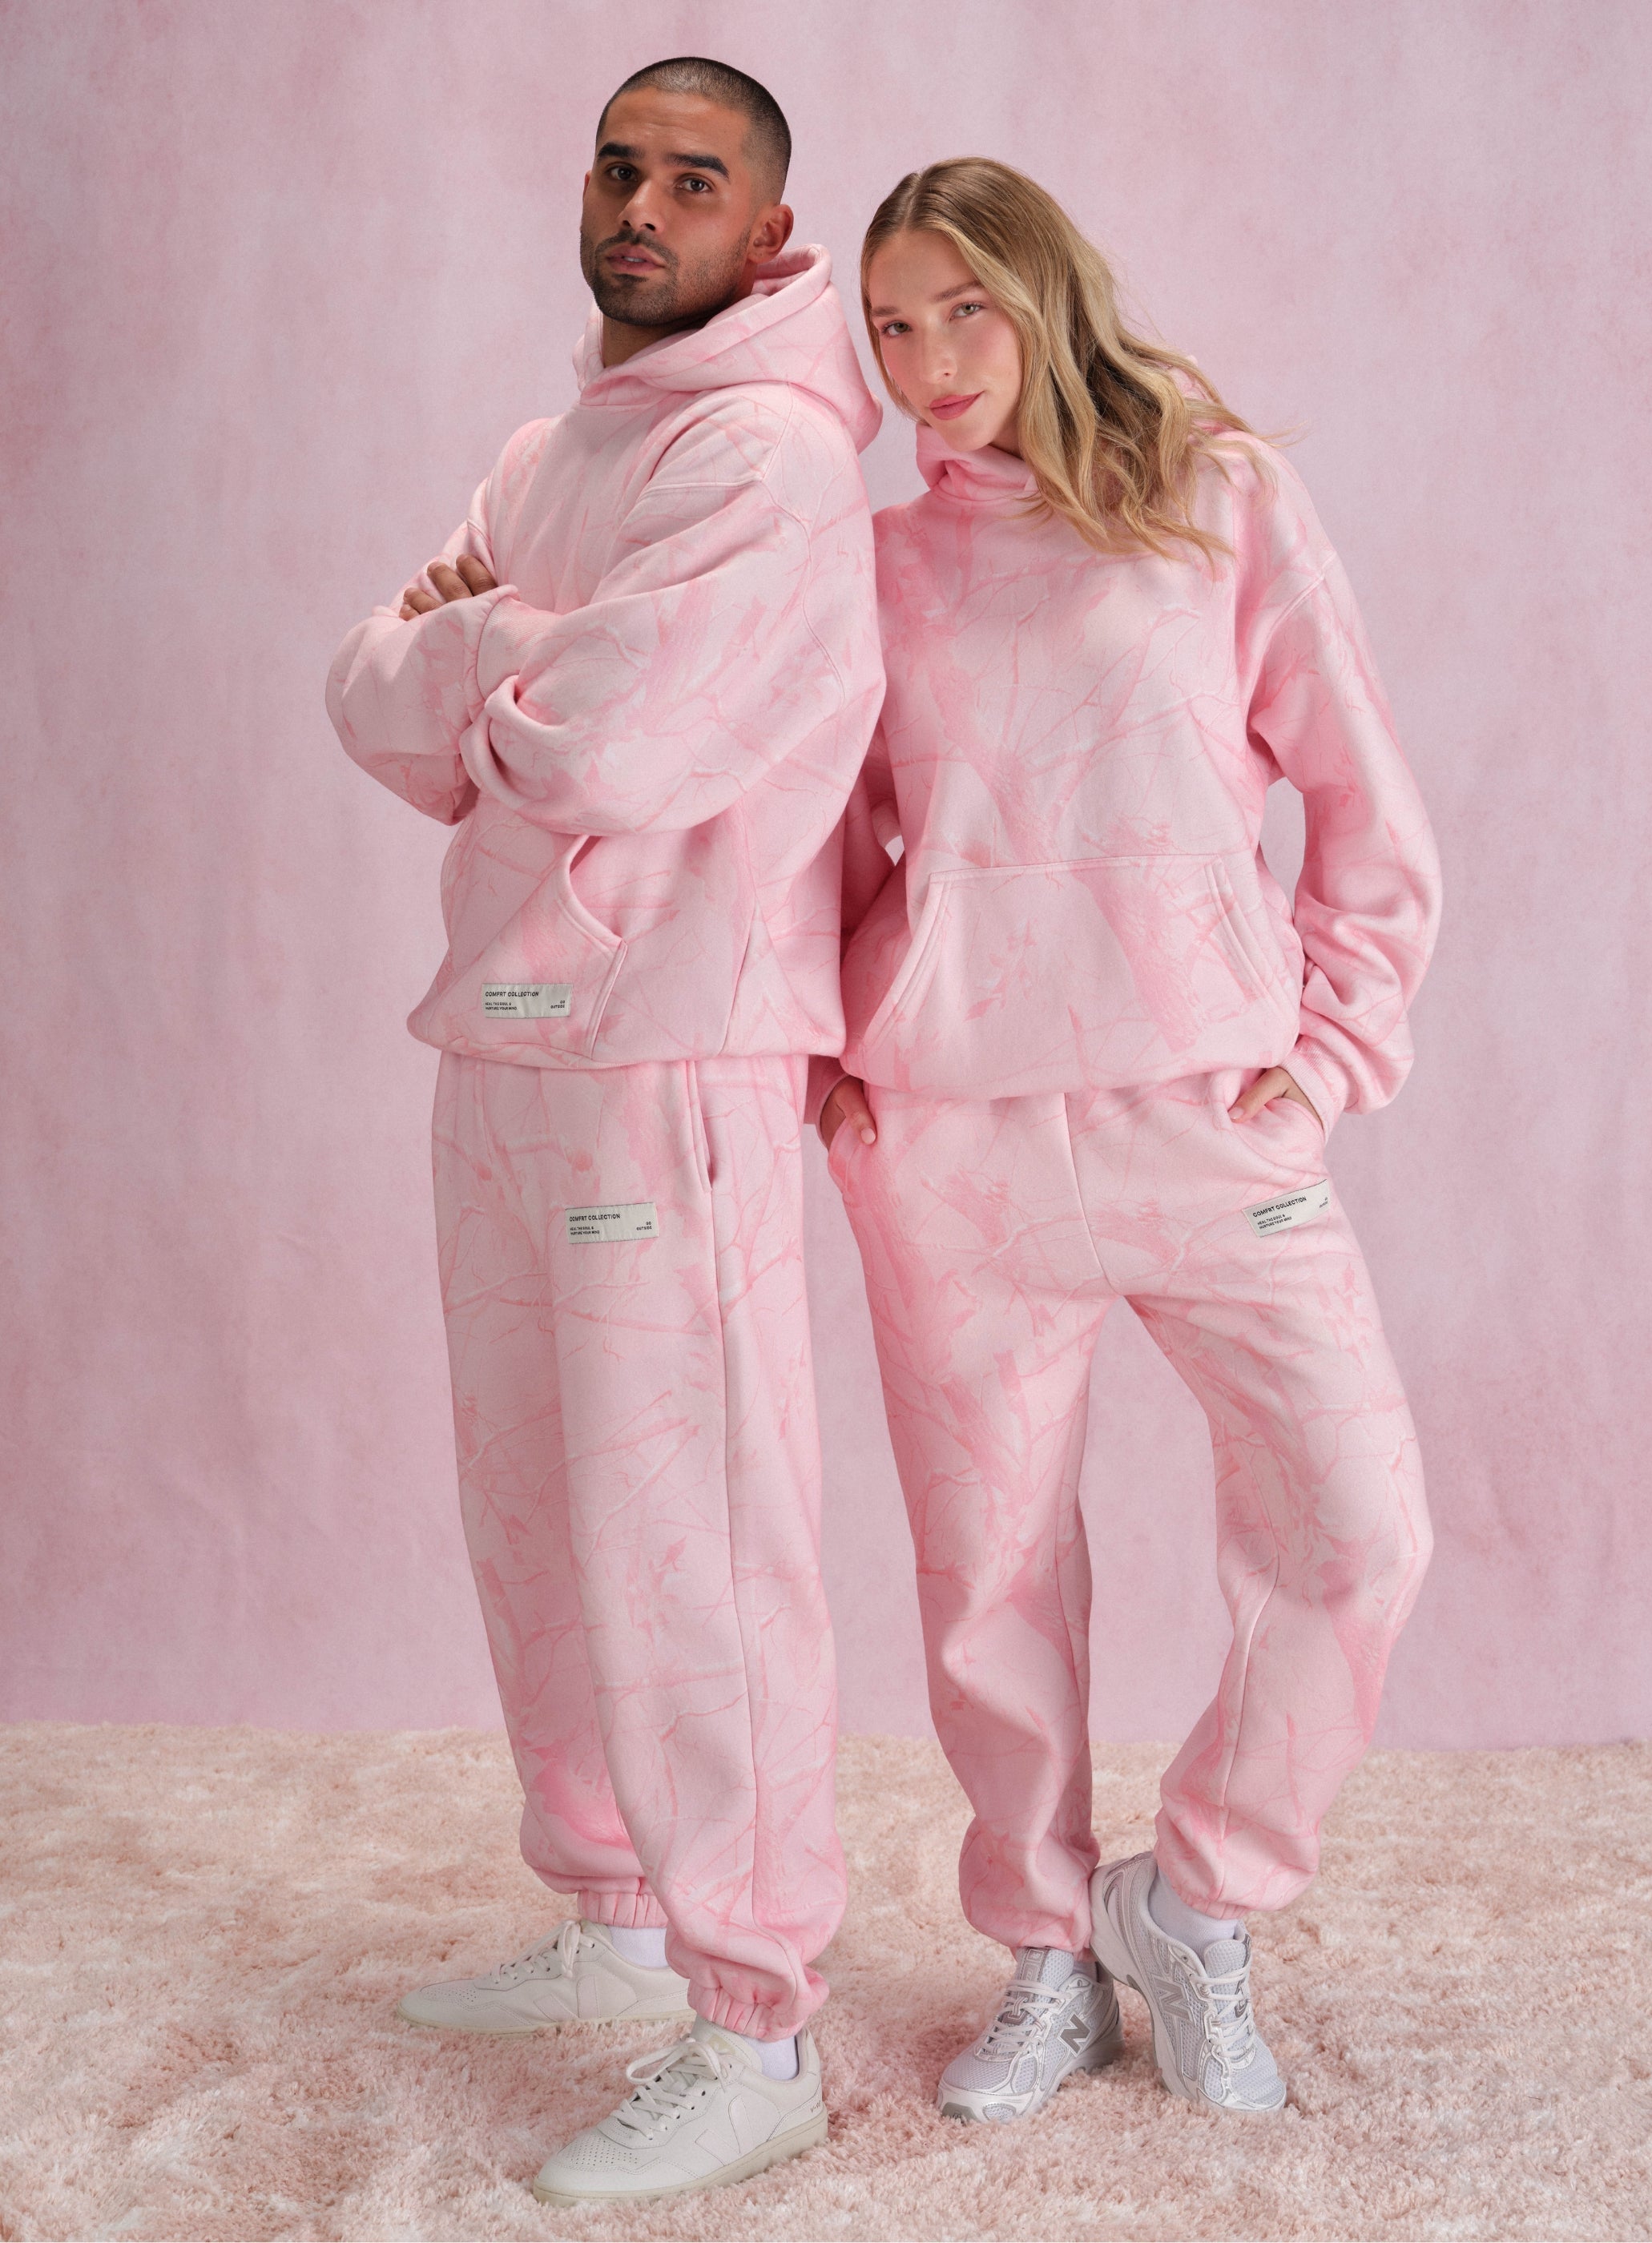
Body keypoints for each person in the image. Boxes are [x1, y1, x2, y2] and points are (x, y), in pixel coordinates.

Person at [818, 159, 1440, 2126]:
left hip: (1204, 1110)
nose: (929, 362)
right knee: (988, 1571)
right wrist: (834, 1043)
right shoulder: (874, 562)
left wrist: (1331, 1049)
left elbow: (1363, 793)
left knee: (1360, 1523)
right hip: (954, 1135)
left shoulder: (1216, 496)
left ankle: (1195, 1895)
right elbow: (818, 834)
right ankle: (1043, 1952)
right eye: (892, 326)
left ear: (1045, 295)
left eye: (963, 310)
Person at [326, 58, 883, 2206]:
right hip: (507, 1033)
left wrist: (471, 649)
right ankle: (616, 1914)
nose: (643, 204)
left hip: (675, 1054)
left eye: (695, 180)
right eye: (622, 166)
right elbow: (366, 699)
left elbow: (612, 743)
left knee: (696, 1534)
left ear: (769, 232)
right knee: (539, 1506)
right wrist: (511, 661)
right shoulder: (544, 449)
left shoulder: (772, 458)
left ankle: (760, 2026)